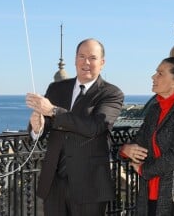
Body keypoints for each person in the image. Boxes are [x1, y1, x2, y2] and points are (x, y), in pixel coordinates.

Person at [26, 38, 124, 216]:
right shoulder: (56, 88)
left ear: (102, 63)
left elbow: (94, 127)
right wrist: (36, 127)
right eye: (82, 56)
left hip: (90, 185)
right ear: (75, 59)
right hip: (53, 183)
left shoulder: (111, 93)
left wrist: (53, 111)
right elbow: (43, 127)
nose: (86, 62)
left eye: (92, 58)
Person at [120, 57, 174, 216]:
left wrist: (144, 169)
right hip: (150, 193)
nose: (153, 77)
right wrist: (126, 149)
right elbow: (138, 141)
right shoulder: (155, 109)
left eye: (160, 73)